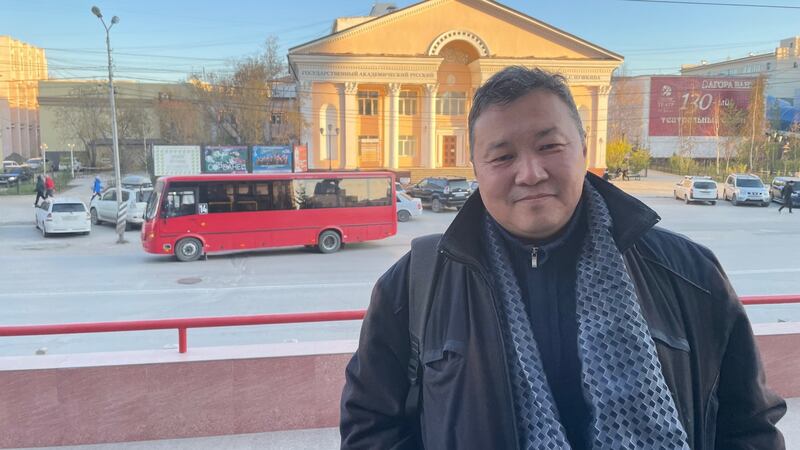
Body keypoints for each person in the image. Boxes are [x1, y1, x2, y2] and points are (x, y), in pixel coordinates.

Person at [340, 66, 786, 449]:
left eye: (550, 146)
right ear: (475, 169)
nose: (530, 173)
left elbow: (748, 426)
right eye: (502, 156)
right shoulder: (413, 288)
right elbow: (370, 428)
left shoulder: (688, 274)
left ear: (584, 149)